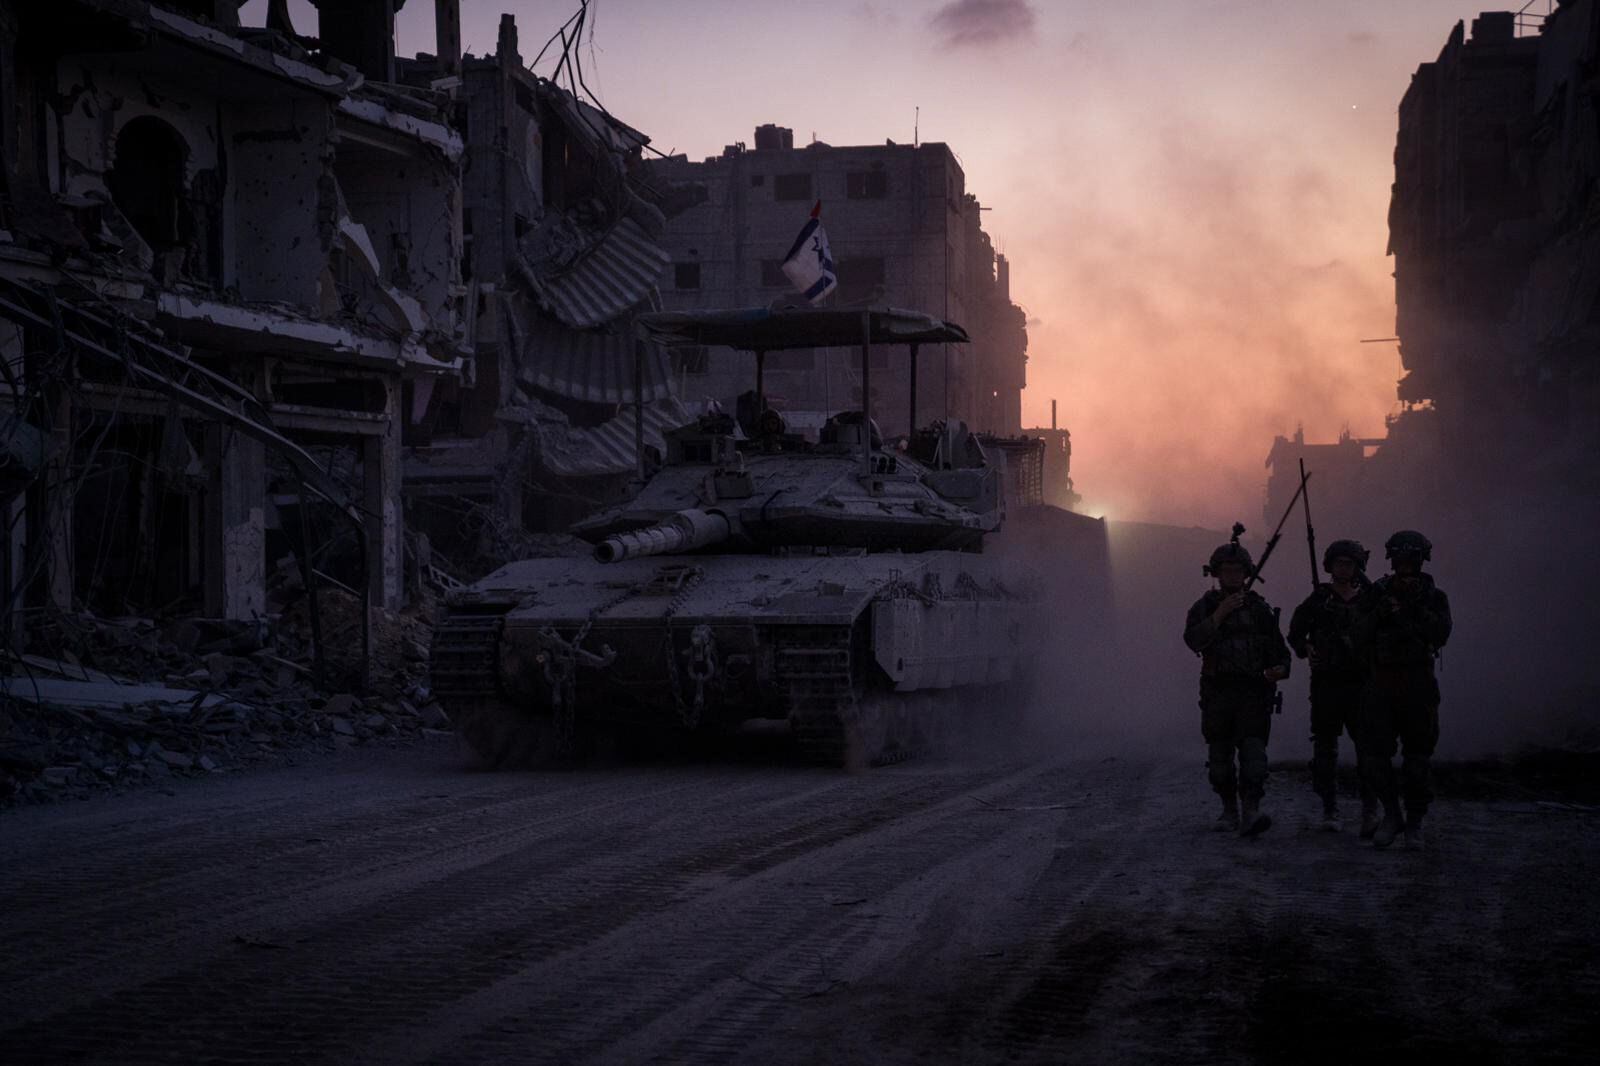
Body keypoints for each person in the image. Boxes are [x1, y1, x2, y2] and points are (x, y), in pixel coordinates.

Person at [1183, 532, 1292, 836]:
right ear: (1216, 574)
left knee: (1254, 757)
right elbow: (1193, 640)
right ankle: (1229, 809)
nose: (1232, 576)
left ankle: (1251, 810)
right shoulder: (1204, 607)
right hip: (1218, 692)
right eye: (1226, 570)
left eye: (1238, 571)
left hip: (1252, 692)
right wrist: (1220, 614)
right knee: (1219, 760)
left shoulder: (1259, 610)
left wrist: (1279, 670)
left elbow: (1280, 653)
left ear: (1247, 573)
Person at [1358, 530, 1452, 850]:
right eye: (1400, 557)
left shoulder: (1434, 596)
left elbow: (1440, 634)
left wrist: (1410, 609)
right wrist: (1380, 613)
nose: (1406, 564)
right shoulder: (1377, 592)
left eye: (1412, 558)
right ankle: (1391, 814)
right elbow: (1357, 633)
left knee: (1417, 759)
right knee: (1374, 758)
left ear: (1422, 559)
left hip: (1418, 683)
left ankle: (1414, 823)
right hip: (1381, 683)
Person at [1287, 539, 1381, 835]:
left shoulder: (1370, 600)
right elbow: (1295, 633)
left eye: (1349, 564)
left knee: (1368, 750)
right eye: (1339, 563)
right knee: (1325, 751)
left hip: (1361, 684)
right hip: (1327, 684)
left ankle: (1370, 810)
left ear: (1357, 567)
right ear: (1329, 566)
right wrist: (1306, 647)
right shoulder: (1318, 600)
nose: (1343, 569)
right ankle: (1330, 808)